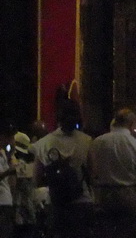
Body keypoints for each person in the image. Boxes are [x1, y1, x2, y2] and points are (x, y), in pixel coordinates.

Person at [88, 108, 136, 237]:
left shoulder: (97, 142)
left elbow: (91, 171)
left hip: (103, 197)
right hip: (130, 198)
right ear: (132, 125)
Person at [33, 101, 92, 237]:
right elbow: (93, 173)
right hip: (81, 201)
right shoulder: (86, 140)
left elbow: (36, 178)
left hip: (56, 202)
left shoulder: (44, 143)